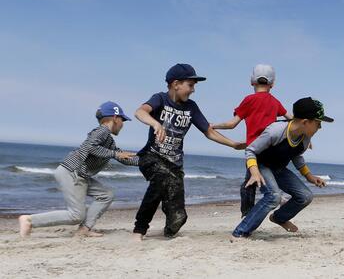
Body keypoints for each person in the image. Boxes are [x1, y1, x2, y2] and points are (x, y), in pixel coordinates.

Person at [132, 64, 245, 241]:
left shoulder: (191, 107)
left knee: (179, 218)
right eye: (190, 85)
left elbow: (209, 131)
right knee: (160, 181)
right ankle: (139, 229)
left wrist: (233, 144)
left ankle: (168, 233)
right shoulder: (160, 99)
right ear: (176, 84)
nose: (193, 90)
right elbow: (140, 112)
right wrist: (155, 123)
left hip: (174, 165)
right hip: (151, 157)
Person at [19, 102, 138, 238]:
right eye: (122, 120)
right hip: (72, 172)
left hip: (79, 174)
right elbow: (90, 147)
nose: (122, 124)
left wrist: (146, 161)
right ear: (115, 117)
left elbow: (123, 157)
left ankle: (84, 229)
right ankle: (29, 220)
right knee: (76, 215)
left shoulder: (108, 140)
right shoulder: (102, 131)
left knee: (106, 195)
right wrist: (115, 154)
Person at [232, 97, 332, 239]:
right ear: (305, 122)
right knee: (273, 196)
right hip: (260, 165)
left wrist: (309, 176)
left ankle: (279, 218)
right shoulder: (275, 131)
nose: (320, 127)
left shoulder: (305, 137)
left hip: (278, 169)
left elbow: (296, 156)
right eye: (318, 123)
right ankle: (240, 232)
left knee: (305, 196)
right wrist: (254, 172)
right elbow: (250, 150)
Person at [210, 64, 292, 217]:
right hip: (271, 148)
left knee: (249, 185)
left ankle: (249, 215)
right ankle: (277, 197)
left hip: (254, 150)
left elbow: (232, 124)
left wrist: (214, 125)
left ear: (251, 81)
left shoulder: (249, 100)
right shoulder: (275, 102)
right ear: (272, 84)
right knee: (253, 181)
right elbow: (291, 119)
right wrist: (303, 134)